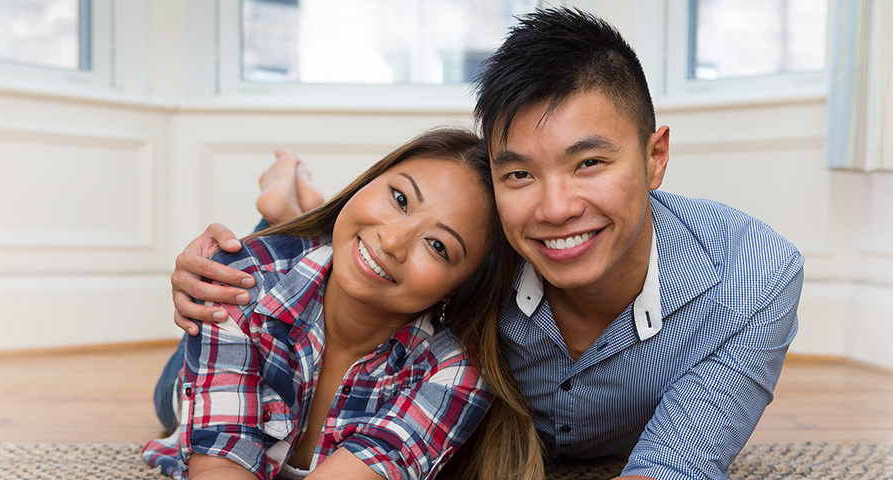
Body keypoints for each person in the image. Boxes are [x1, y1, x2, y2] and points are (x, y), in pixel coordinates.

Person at [168, 8, 804, 480]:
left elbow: (677, 465)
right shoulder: (473, 256)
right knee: (181, 384)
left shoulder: (750, 281)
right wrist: (226, 267)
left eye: (588, 164)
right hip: (304, 330)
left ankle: (297, 209)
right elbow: (380, 254)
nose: (555, 210)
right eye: (519, 174)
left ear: (655, 157)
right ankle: (287, 217)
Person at [144, 128, 532, 480]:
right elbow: (219, 463)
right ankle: (279, 206)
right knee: (169, 400)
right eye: (400, 198)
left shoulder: (454, 368)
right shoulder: (240, 282)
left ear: (458, 287)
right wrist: (224, 267)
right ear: (369, 181)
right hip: (217, 352)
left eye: (438, 246)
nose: (394, 242)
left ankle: (286, 211)